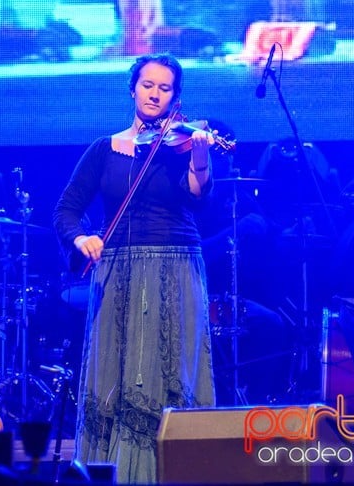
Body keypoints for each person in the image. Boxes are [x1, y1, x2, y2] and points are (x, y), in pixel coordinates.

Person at [52, 54, 215, 484]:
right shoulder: (104, 149)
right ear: (132, 89)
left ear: (174, 97)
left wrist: (200, 159)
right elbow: (66, 210)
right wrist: (81, 238)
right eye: (148, 85)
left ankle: (177, 471)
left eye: (165, 88)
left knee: (172, 368)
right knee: (117, 372)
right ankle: (117, 474)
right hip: (119, 269)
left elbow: (198, 197)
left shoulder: (182, 147)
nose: (155, 93)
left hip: (175, 265)